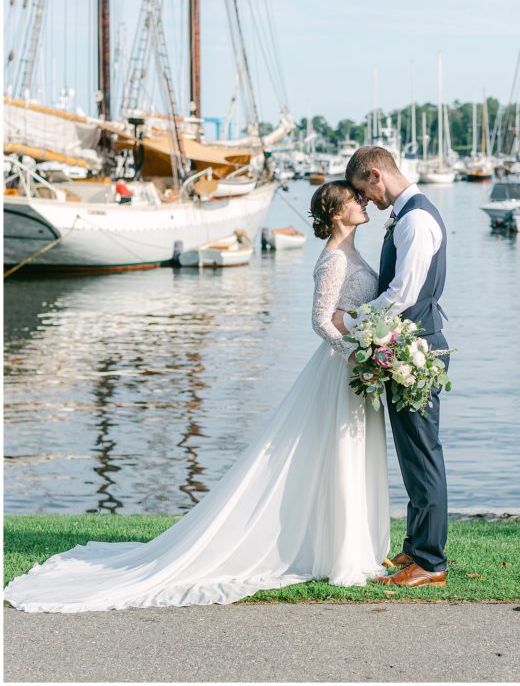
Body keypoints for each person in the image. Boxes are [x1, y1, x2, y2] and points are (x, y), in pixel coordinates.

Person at [4, 181, 390, 613]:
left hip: (354, 368)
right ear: (337, 213)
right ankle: (339, 552)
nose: (363, 202)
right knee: (336, 451)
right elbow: (320, 321)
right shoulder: (333, 260)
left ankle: (347, 543)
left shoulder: (352, 252)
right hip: (342, 370)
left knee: (349, 451)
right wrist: (353, 353)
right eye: (355, 200)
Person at [333, 145, 450, 589]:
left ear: (377, 176)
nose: (366, 202)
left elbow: (401, 296)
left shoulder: (416, 221)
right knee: (411, 453)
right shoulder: (408, 215)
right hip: (406, 347)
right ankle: (416, 545)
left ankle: (431, 561)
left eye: (365, 191)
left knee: (423, 455)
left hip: (416, 349)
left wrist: (351, 322)